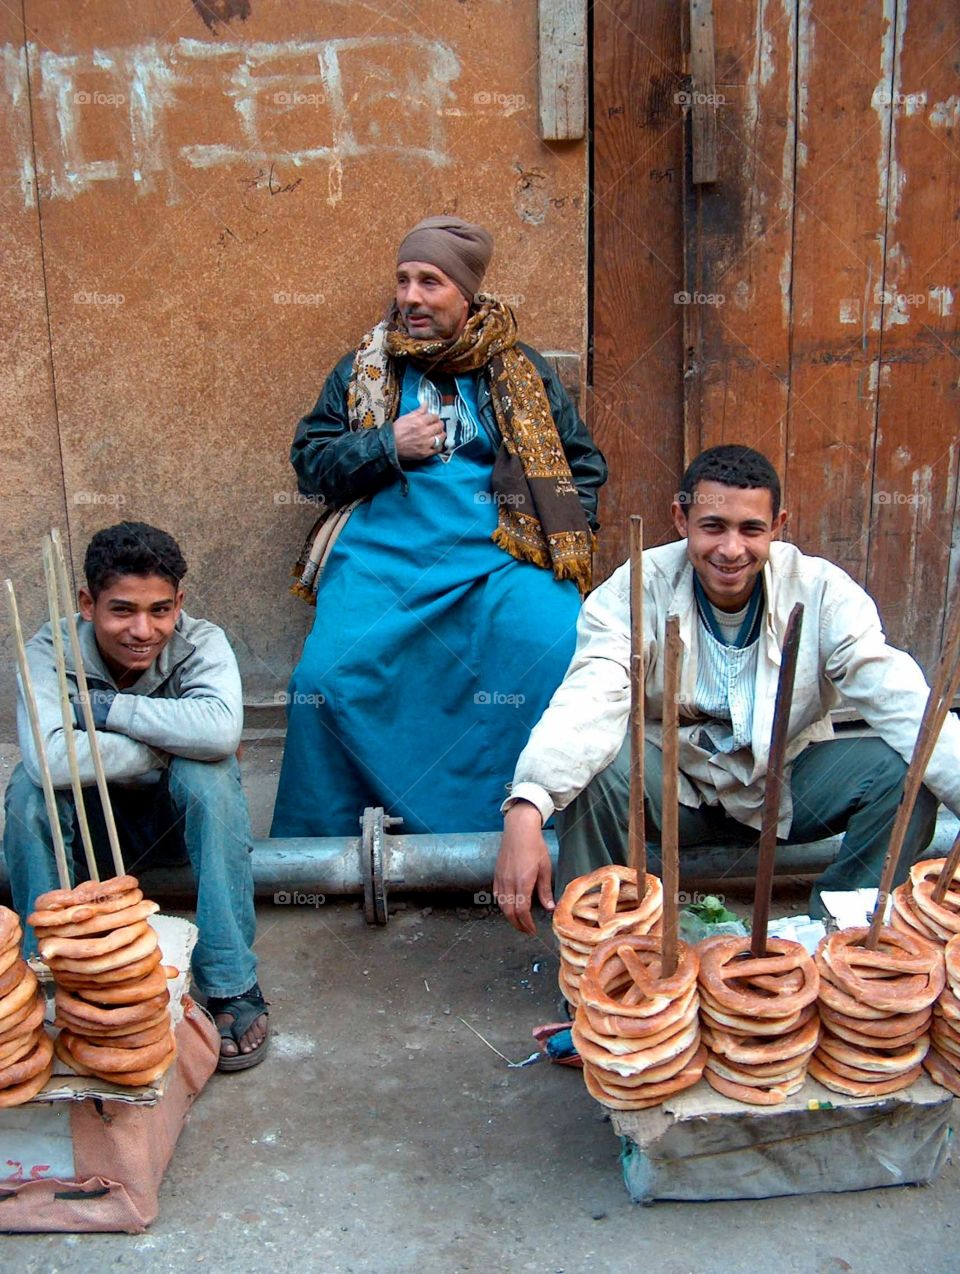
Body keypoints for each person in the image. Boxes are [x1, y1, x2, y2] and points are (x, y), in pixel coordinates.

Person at [494, 444, 960, 934]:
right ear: (682, 519)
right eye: (713, 526)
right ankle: (605, 953)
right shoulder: (638, 587)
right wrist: (528, 805)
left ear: (778, 526)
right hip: (676, 790)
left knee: (908, 769)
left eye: (751, 529)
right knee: (597, 768)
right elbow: (592, 694)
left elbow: (899, 698)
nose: (731, 549)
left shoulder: (822, 591)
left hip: (784, 784)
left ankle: (844, 937)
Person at [271, 215, 607, 837]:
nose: (411, 298)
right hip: (385, 559)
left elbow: (581, 466)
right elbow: (311, 465)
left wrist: (554, 536)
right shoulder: (363, 370)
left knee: (553, 646)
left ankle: (535, 829)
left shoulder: (520, 370)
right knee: (321, 678)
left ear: (467, 294)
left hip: (501, 561)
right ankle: (328, 850)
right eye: (403, 281)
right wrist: (385, 444)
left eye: (430, 282)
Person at [3, 522, 269, 1070]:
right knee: (30, 791)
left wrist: (106, 713)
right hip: (90, 845)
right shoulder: (49, 648)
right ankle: (47, 975)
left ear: (180, 604)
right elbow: (51, 759)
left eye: (161, 610)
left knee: (211, 776)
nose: (143, 630)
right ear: (86, 602)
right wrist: (170, 744)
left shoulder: (203, 642)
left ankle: (230, 982)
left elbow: (220, 733)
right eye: (121, 610)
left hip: (172, 828)